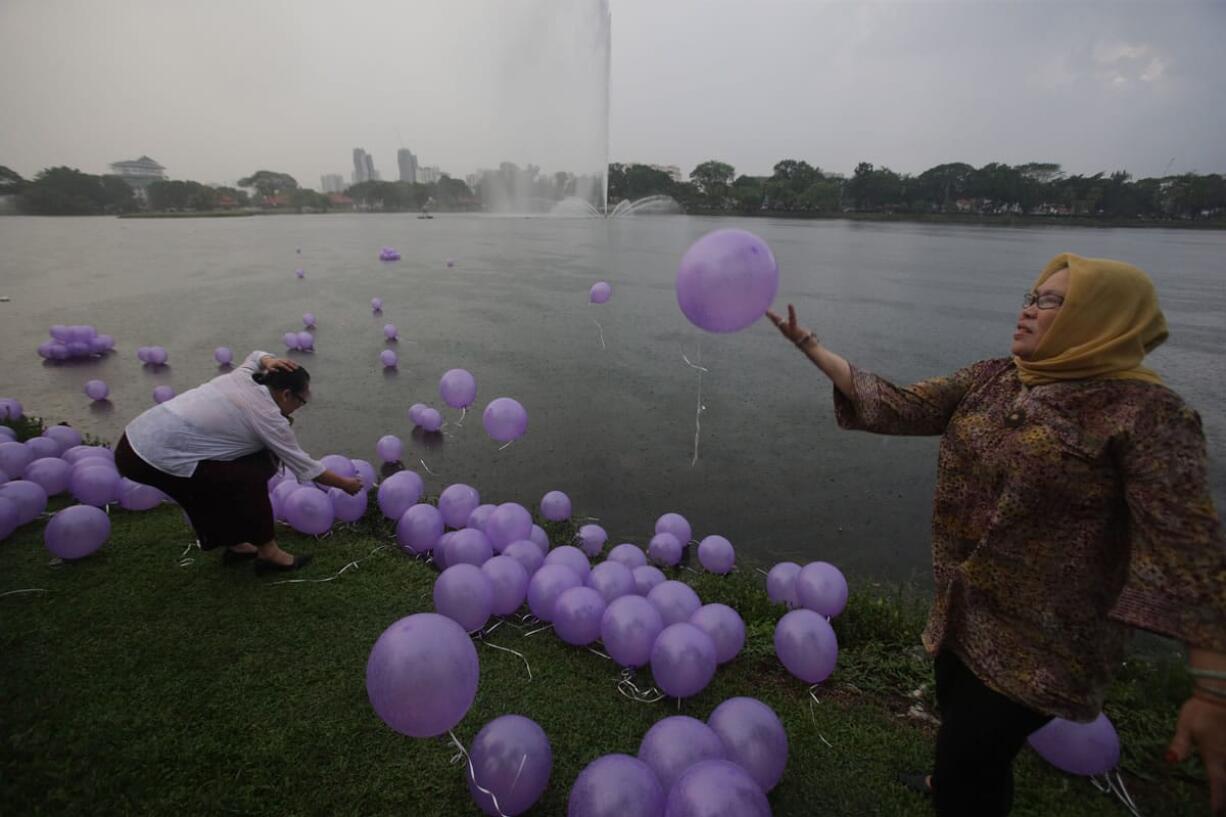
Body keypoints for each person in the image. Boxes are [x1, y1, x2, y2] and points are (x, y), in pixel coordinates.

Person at [767, 253, 1226, 816]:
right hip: (965, 610)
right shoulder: (996, 378)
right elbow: (899, 405)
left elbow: (1187, 551)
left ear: (1101, 316)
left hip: (1044, 642)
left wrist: (1211, 689)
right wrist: (808, 344)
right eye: (1029, 297)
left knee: (971, 761)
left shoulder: (1146, 415)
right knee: (962, 729)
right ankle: (956, 780)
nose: (1028, 311)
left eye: (1051, 301)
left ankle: (958, 788)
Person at [115, 351, 362, 574]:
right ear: (286, 394)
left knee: (220, 484)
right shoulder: (268, 416)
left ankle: (236, 545)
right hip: (148, 457)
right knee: (247, 479)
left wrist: (269, 360)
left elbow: (256, 355)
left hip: (133, 439)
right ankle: (269, 554)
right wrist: (346, 484)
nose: (300, 406)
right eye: (301, 400)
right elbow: (307, 467)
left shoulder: (247, 376)